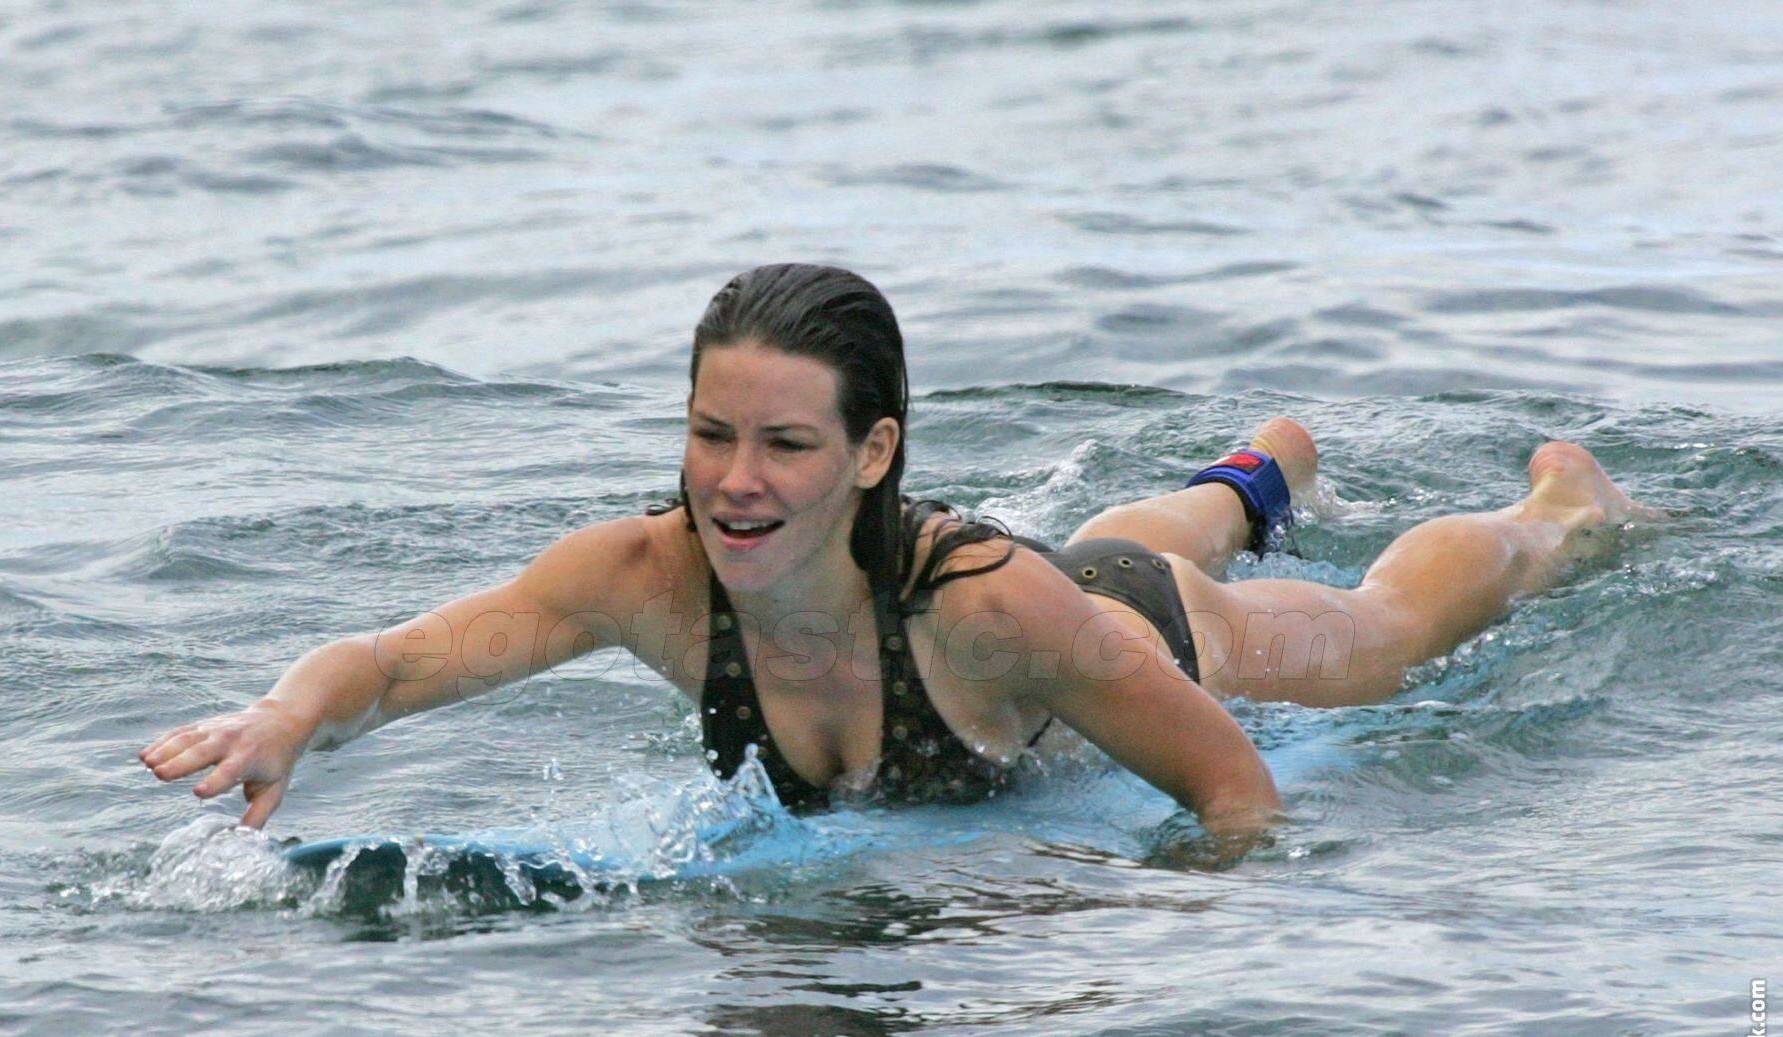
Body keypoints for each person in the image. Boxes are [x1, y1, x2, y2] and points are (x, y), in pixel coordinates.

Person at [139, 264, 1648, 843]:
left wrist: (1148, 968)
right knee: (1117, 541)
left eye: (784, 445)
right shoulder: (640, 578)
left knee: (1382, 634)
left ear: (873, 452)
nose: (734, 484)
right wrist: (286, 714)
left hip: (1141, 635)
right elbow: (391, 665)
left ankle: (1554, 511)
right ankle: (1260, 472)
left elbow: (1237, 790)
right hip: (1061, 592)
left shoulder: (990, 612)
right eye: (710, 434)